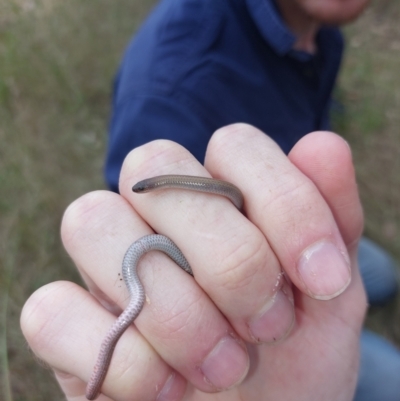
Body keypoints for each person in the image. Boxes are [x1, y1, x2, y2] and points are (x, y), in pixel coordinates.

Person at [20, 1, 400, 401]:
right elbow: (136, 221)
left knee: (382, 276)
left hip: (300, 240)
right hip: (254, 310)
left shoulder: (319, 29)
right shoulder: (172, 87)